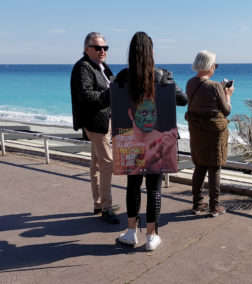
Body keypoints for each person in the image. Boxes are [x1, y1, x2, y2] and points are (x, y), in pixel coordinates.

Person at [114, 32, 187, 250]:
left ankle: (130, 232)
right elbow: (182, 100)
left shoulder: (123, 77)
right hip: (157, 144)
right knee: (154, 187)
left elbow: (106, 99)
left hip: (131, 141)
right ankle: (151, 236)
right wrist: (169, 83)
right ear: (151, 52)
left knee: (133, 185)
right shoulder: (162, 75)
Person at [70, 32, 119, 224]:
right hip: (95, 122)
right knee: (107, 162)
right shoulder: (83, 67)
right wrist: (110, 93)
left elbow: (112, 86)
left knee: (97, 163)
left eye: (105, 48)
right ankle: (106, 208)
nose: (102, 51)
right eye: (98, 47)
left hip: (105, 120)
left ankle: (99, 203)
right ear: (86, 48)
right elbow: (86, 96)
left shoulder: (102, 67)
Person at [185, 50, 234, 217]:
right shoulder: (214, 86)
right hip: (214, 132)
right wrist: (228, 95)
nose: (215, 67)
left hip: (197, 131)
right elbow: (226, 110)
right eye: (215, 65)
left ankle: (197, 203)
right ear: (210, 66)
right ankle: (215, 206)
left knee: (199, 166)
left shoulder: (190, 83)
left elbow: (201, 100)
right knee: (214, 168)